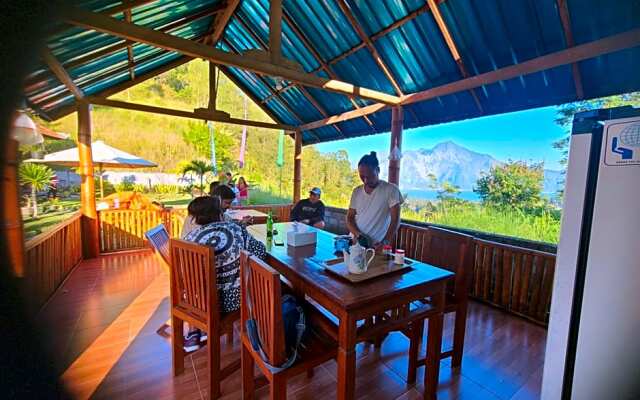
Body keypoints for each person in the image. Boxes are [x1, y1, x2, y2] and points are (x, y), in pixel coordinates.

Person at [181, 196, 267, 349]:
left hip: (198, 301)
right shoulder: (235, 229)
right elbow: (260, 252)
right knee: (275, 285)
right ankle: (265, 337)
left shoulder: (189, 238)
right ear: (219, 213)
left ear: (195, 217)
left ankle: (194, 332)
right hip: (231, 300)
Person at [346, 151, 403, 251]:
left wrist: (385, 242)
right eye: (362, 177)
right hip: (355, 244)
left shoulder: (391, 190)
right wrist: (358, 235)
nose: (366, 181)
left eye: (369, 176)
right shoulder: (357, 191)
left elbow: (395, 220)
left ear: (378, 170)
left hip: (376, 247)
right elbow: (349, 218)